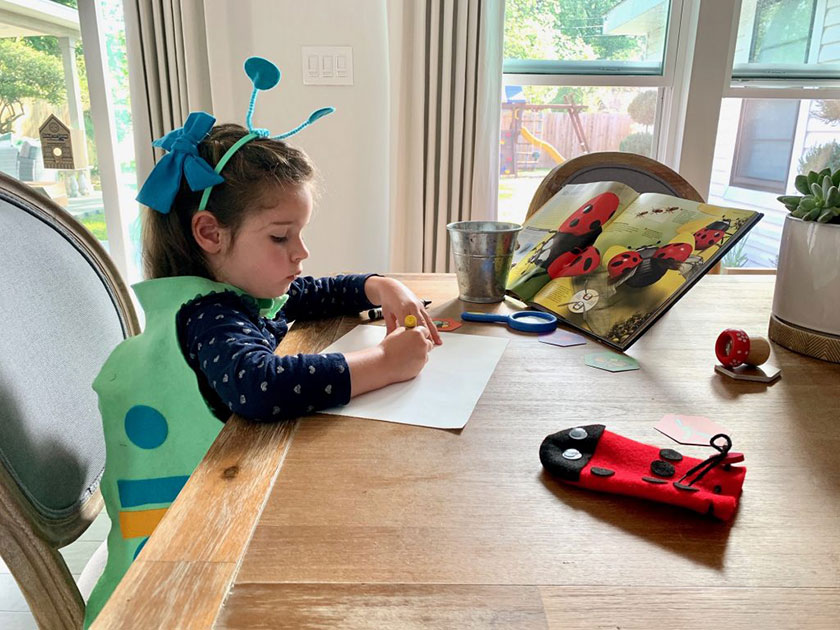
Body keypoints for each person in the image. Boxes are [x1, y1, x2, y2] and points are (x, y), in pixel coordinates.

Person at [83, 102, 440, 626]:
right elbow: (261, 387)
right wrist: (386, 361)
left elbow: (313, 293)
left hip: (216, 517)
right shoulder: (207, 316)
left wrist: (384, 286)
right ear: (210, 234)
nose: (301, 253)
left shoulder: (239, 290)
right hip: (175, 570)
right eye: (281, 237)